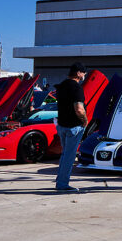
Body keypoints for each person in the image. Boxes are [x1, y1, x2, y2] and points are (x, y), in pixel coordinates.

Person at [54, 62, 88, 193]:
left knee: (64, 155)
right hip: (74, 127)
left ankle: (60, 181)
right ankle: (62, 184)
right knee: (69, 156)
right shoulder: (77, 88)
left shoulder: (61, 86)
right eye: (84, 72)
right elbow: (79, 109)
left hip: (62, 125)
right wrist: (85, 121)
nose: (84, 75)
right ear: (78, 73)